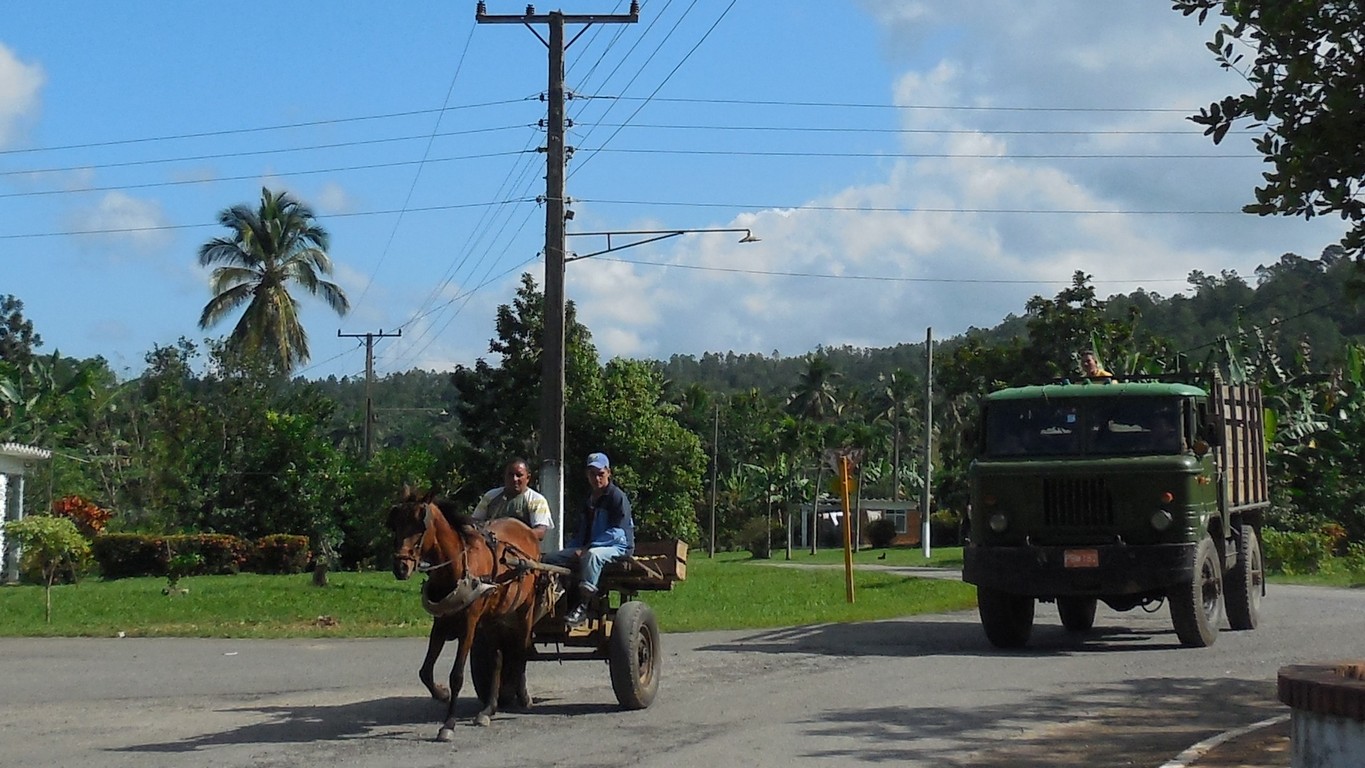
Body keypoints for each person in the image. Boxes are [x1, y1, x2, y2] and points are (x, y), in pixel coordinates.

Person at [544, 452, 635, 627]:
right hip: (590, 546)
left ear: (608, 472)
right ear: (587, 475)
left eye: (600, 473)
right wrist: (569, 551)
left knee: (592, 555)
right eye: (592, 474)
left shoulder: (617, 497)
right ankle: (557, 602)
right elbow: (582, 533)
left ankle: (582, 607)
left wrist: (587, 548)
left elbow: (618, 532)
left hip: (618, 546)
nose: (597, 478)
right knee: (550, 559)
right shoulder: (589, 501)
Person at [471, 458, 553, 542]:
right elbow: (474, 522)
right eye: (510, 475)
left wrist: (510, 536)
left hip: (521, 549)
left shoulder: (537, 500)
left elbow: (540, 532)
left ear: (527, 478)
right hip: (490, 546)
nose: (514, 479)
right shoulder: (490, 496)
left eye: (519, 475)